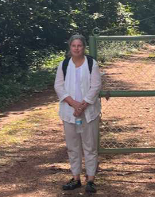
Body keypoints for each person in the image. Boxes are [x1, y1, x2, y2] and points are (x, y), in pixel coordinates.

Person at [54, 34, 103, 193]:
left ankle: (91, 180)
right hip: (69, 113)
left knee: (90, 147)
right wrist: (74, 104)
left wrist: (83, 105)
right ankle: (75, 178)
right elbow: (59, 86)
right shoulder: (64, 64)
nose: (76, 48)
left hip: (89, 112)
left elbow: (95, 86)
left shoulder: (91, 64)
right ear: (70, 48)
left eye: (79, 46)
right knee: (72, 147)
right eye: (74, 46)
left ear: (84, 47)